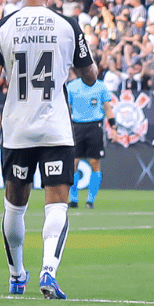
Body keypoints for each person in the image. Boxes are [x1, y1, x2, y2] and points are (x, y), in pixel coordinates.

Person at [0, 0, 99, 300]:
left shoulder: (0, 28)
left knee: (15, 205)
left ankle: (16, 275)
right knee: (56, 203)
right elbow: (91, 77)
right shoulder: (68, 25)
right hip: (56, 127)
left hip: (18, 128)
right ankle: (48, 270)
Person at [65, 69, 114, 209]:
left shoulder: (101, 86)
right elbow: (67, 107)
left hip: (95, 126)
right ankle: (73, 199)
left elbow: (108, 108)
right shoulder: (72, 86)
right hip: (77, 127)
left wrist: (114, 127)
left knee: (94, 162)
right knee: (74, 162)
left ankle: (90, 200)